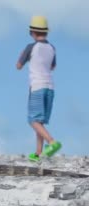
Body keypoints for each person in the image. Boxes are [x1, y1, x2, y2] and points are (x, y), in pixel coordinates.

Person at [16, 15, 61, 162]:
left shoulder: (31, 47)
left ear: (32, 33)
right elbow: (53, 67)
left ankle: (52, 142)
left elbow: (18, 66)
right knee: (40, 122)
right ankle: (38, 153)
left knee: (33, 120)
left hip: (37, 87)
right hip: (50, 88)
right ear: (46, 32)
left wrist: (23, 57)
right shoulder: (51, 47)